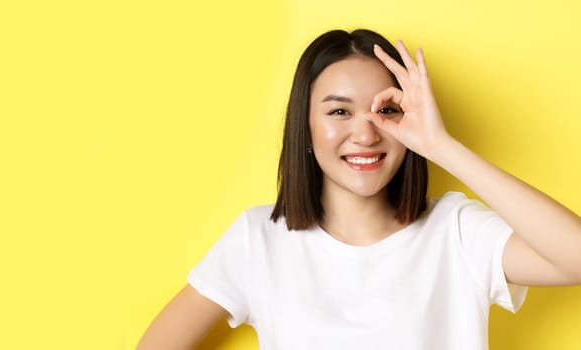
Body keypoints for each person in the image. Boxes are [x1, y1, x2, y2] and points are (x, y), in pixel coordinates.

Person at [136, 29, 581, 350]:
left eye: (385, 110)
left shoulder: (456, 232)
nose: (366, 135)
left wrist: (440, 146)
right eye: (339, 112)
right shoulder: (259, 239)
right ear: (305, 129)